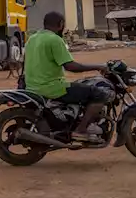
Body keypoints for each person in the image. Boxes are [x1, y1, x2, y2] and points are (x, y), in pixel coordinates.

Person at [24, 11, 113, 143]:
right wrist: (98, 66)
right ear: (61, 24)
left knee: (80, 87)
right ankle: (81, 130)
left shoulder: (32, 38)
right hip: (51, 88)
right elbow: (70, 66)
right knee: (99, 94)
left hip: (32, 86)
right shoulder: (54, 39)